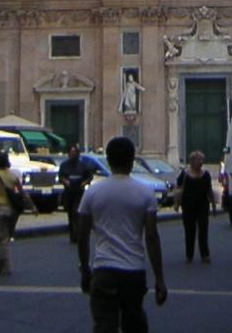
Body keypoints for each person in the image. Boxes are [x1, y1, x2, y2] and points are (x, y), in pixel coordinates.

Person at [78, 136, 167, 332]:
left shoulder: (92, 193)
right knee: (134, 324)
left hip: (103, 268)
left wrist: (85, 269)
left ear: (108, 160)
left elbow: (82, 235)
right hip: (133, 270)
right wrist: (159, 279)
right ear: (132, 160)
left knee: (104, 325)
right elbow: (151, 236)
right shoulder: (145, 193)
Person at [0, 149, 29, 275]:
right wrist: (32, 206)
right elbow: (23, 193)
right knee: (4, 238)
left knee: (2, 239)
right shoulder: (13, 176)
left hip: (0, 209)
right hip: (12, 211)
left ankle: (6, 267)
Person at [175, 150, 216, 264]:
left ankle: (205, 254)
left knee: (203, 229)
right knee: (189, 231)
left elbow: (209, 190)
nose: (201, 162)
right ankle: (189, 255)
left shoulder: (206, 175)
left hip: (203, 206)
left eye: (202, 160)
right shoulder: (184, 175)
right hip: (188, 207)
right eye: (199, 160)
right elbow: (178, 189)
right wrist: (177, 203)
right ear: (192, 161)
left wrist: (213, 206)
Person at [60, 144, 95, 242]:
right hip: (69, 193)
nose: (73, 155)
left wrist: (84, 183)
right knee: (70, 214)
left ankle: (78, 234)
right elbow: (61, 177)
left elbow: (89, 177)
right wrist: (65, 181)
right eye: (71, 153)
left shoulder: (83, 166)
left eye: (74, 153)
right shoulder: (64, 165)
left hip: (79, 193)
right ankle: (73, 235)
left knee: (77, 212)